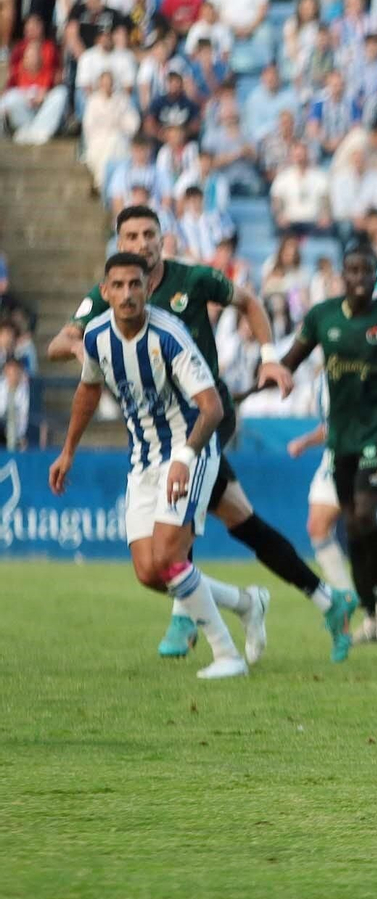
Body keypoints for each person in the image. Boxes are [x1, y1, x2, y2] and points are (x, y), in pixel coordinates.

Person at [45, 206, 359, 662]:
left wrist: (270, 357)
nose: (141, 243)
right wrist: (83, 346)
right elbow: (59, 343)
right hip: (157, 432)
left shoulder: (192, 281)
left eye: (149, 234)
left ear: (161, 238)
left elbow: (249, 301)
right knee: (242, 522)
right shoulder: (112, 291)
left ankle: (185, 617)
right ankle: (323, 600)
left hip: (205, 417)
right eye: (130, 236)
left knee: (174, 538)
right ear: (120, 244)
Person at [49, 254, 262, 680]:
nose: (127, 294)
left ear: (148, 288)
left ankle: (227, 655)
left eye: (135, 285)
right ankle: (246, 603)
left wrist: (185, 458)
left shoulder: (170, 335)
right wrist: (68, 450)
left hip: (190, 451)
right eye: (119, 286)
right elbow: (88, 391)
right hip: (142, 458)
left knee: (168, 556)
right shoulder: (96, 338)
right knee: (149, 572)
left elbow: (213, 407)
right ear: (105, 291)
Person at [278, 241, 377, 648]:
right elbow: (292, 359)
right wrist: (272, 374)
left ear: (376, 276)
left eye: (366, 271)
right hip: (340, 439)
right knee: (351, 529)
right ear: (342, 275)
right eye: (351, 271)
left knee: (361, 517)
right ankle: (373, 618)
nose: (358, 278)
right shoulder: (322, 317)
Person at [288, 370, 377, 600]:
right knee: (317, 527)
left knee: (360, 523)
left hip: (364, 453)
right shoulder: (322, 381)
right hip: (334, 456)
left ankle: (366, 600)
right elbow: (330, 426)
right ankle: (348, 596)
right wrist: (305, 442)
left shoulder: (366, 368)